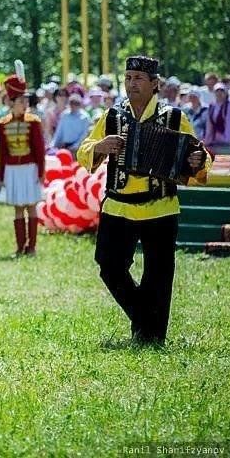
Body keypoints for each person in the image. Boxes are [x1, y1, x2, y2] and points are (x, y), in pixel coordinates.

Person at [78, 55, 210, 345]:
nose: (131, 83)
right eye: (127, 77)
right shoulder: (111, 117)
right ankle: (144, 319)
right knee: (109, 266)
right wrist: (99, 146)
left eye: (138, 78)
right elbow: (84, 150)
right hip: (118, 205)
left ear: (155, 84)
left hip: (160, 206)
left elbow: (199, 155)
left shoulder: (175, 118)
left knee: (159, 275)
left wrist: (198, 159)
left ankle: (152, 336)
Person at [0, 61, 46, 256]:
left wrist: (41, 172)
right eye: (21, 101)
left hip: (30, 168)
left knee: (31, 207)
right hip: (12, 169)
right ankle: (20, 247)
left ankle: (32, 247)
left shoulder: (34, 122)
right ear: (12, 102)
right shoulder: (3, 124)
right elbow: (2, 152)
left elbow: (39, 149)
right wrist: (1, 174)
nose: (25, 105)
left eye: (26, 101)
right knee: (18, 208)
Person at [203, 83, 230, 151]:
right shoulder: (212, 106)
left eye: (222, 91)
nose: (219, 93)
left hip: (228, 143)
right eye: (217, 91)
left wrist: (229, 142)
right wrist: (207, 141)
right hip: (215, 142)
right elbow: (209, 126)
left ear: (226, 93)